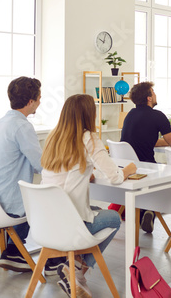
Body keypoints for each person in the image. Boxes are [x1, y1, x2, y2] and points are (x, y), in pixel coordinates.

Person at [41, 94, 136, 297]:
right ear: (88, 114)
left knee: (97, 211)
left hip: (45, 222)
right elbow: (116, 177)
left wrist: (86, 173)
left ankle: (76, 270)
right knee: (113, 218)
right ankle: (77, 269)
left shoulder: (53, 137)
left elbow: (66, 170)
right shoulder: (89, 138)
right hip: (70, 223)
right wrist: (128, 169)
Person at [0, 77, 63, 275]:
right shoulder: (22, 127)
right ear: (30, 102)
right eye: (39, 97)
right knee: (46, 201)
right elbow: (41, 165)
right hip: (8, 207)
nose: (40, 101)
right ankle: (18, 251)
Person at [116, 81, 171, 232]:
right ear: (149, 98)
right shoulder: (158, 116)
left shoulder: (130, 115)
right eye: (153, 92)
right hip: (147, 169)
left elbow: (144, 138)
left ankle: (146, 210)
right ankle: (149, 209)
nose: (155, 95)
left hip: (127, 169)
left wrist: (161, 143)